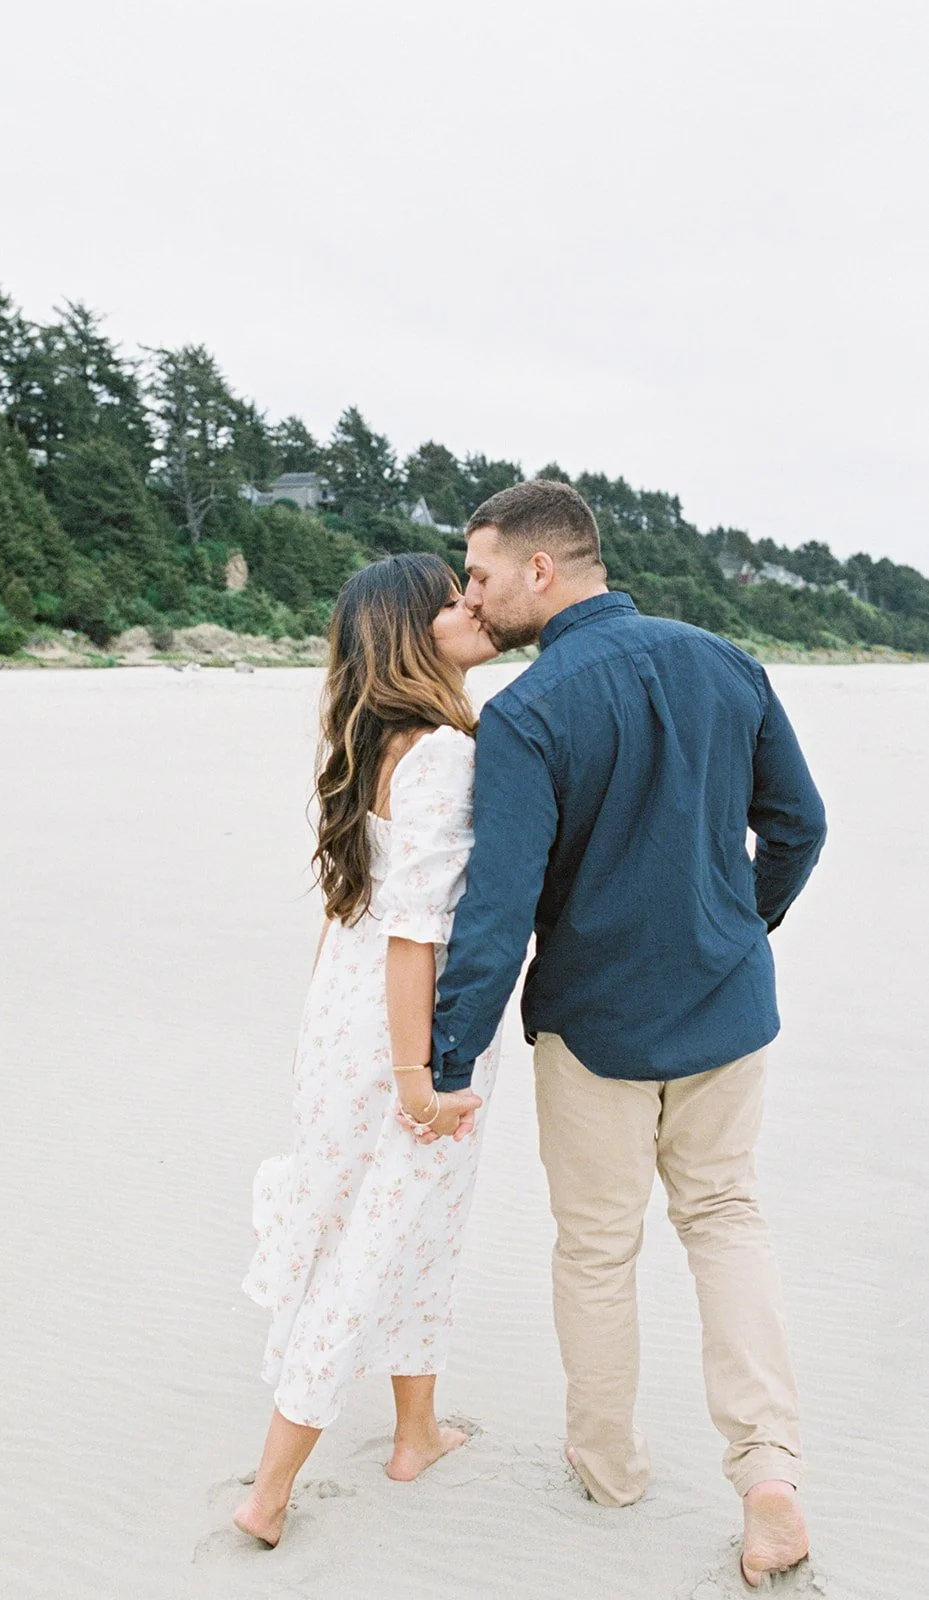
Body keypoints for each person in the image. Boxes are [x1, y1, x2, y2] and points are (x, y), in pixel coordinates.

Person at [422, 479, 826, 1590]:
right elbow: (798, 823)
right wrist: (740, 923)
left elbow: (497, 912)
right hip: (726, 1007)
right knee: (726, 1219)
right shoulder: (723, 661)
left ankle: (608, 1467)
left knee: (597, 1249)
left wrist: (448, 1058)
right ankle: (768, 1475)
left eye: (485, 571)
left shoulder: (527, 711)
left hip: (597, 1024)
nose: (478, 592)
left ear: (540, 571)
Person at [234, 553, 500, 1547]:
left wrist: (337, 1041)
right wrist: (416, 1079)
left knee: (415, 1225)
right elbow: (414, 930)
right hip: (403, 1024)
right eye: (447, 600)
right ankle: (267, 1493)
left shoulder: (370, 738)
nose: (468, 606)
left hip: (341, 1012)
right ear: (409, 634)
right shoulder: (438, 751)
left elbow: (347, 910)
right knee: (374, 1244)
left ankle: (416, 1428)